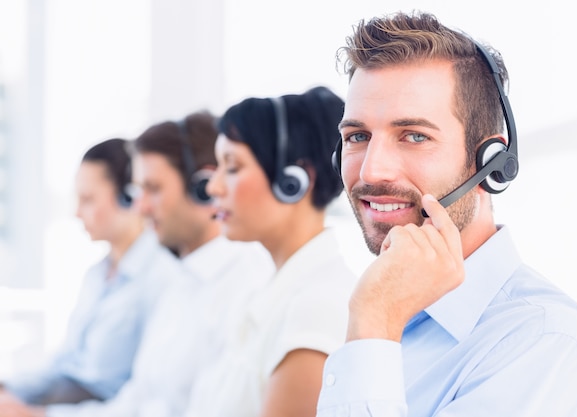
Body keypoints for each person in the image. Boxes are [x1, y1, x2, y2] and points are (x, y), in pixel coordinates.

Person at [315, 11, 577, 417]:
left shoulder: (548, 348)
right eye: (357, 137)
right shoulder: (397, 312)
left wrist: (375, 325)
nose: (372, 170)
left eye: (414, 136)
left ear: (491, 163)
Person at [0, 110, 275, 417]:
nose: (140, 206)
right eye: (138, 190)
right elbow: (136, 401)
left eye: (153, 189)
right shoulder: (181, 282)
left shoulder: (244, 286)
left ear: (203, 187)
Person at [180, 86, 358, 417]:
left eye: (232, 167)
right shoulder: (269, 292)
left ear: (294, 181)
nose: (214, 187)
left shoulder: (316, 308)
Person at [0, 138, 177, 404]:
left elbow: (142, 397)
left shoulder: (162, 278)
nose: (77, 213)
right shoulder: (96, 275)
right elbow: (63, 365)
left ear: (128, 198)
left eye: (88, 199)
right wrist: (7, 388)